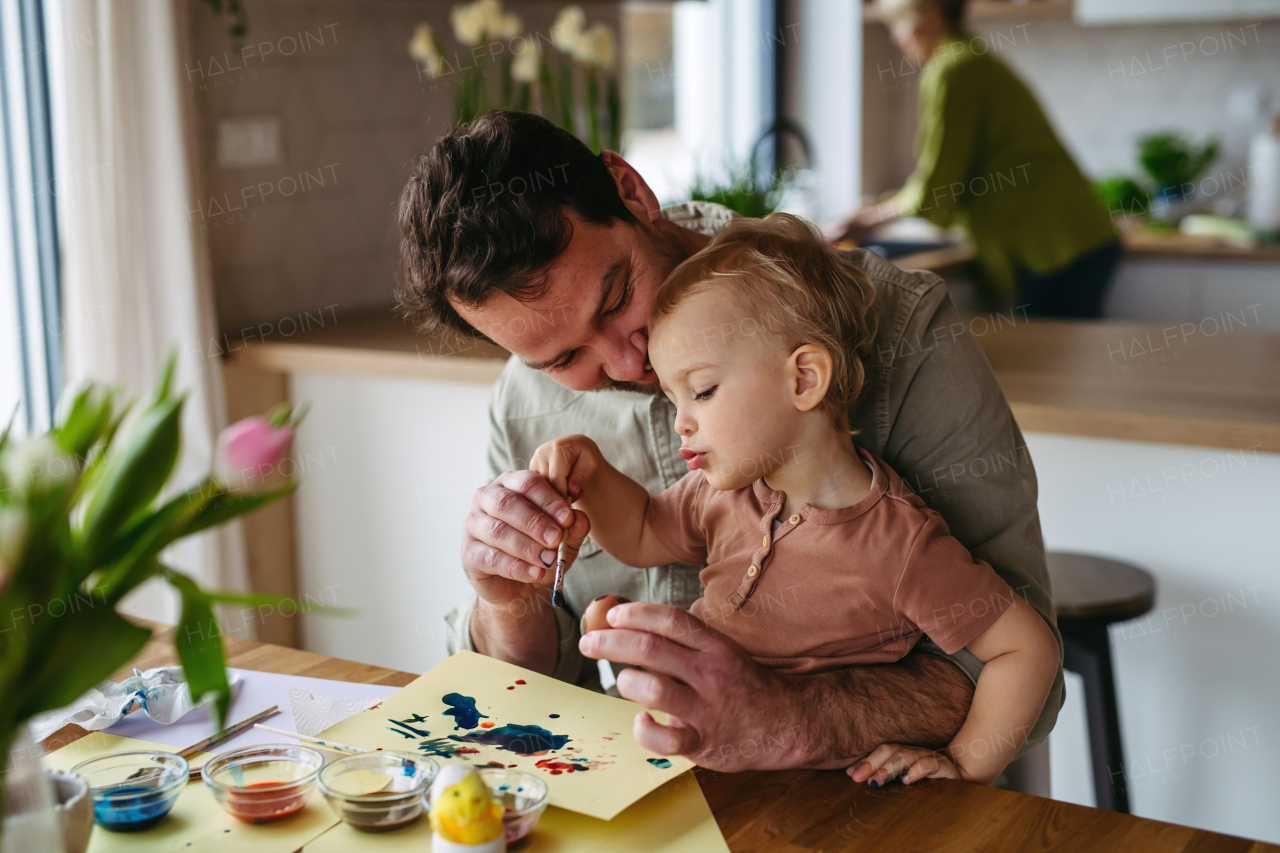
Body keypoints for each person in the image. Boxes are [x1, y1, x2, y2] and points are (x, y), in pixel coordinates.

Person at [397, 109, 1064, 772]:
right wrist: (508, 604)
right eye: (563, 359)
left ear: (632, 190)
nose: (628, 365)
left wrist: (785, 715)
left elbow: (1015, 669)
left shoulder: (898, 329)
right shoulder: (525, 400)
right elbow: (542, 670)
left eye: (617, 298)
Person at [528, 214, 1060, 786]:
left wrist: (962, 765)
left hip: (819, 799)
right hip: (709, 781)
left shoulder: (898, 544)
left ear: (804, 379)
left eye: (702, 391)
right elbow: (639, 531)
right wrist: (593, 472)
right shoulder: (722, 493)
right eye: (672, 397)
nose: (681, 423)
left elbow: (1027, 651)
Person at [835, 0, 1121, 318]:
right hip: (1076, 235)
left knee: (1055, 361)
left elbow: (937, 185)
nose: (896, 39)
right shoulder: (971, 59)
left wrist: (867, 221)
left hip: (1057, 244)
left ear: (928, 16)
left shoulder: (954, 70)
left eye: (899, 25)